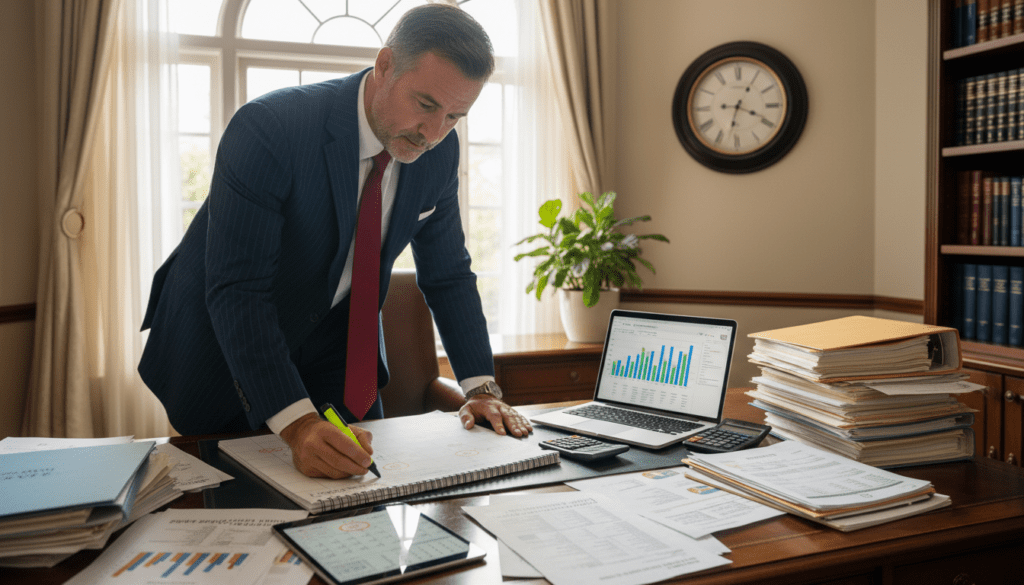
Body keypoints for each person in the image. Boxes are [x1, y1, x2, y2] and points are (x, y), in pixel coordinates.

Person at [138, 4, 530, 480]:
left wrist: (482, 388)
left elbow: (448, 273)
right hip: (225, 355)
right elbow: (239, 292)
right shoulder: (270, 129)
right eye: (426, 105)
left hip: (337, 353)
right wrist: (296, 422)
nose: (433, 133)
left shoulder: (439, 151)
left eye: (455, 116)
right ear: (385, 65)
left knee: (365, 498)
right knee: (240, 515)